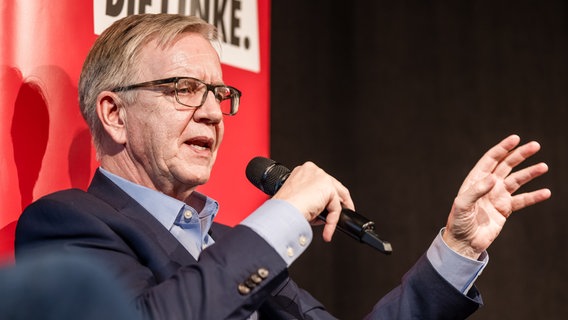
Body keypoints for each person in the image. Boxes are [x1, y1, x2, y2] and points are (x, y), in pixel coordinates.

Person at [14, 13, 551, 320]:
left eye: (218, 92)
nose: (210, 111)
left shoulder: (230, 242)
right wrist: (285, 212)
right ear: (114, 114)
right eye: (182, 89)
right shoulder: (65, 224)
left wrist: (455, 251)